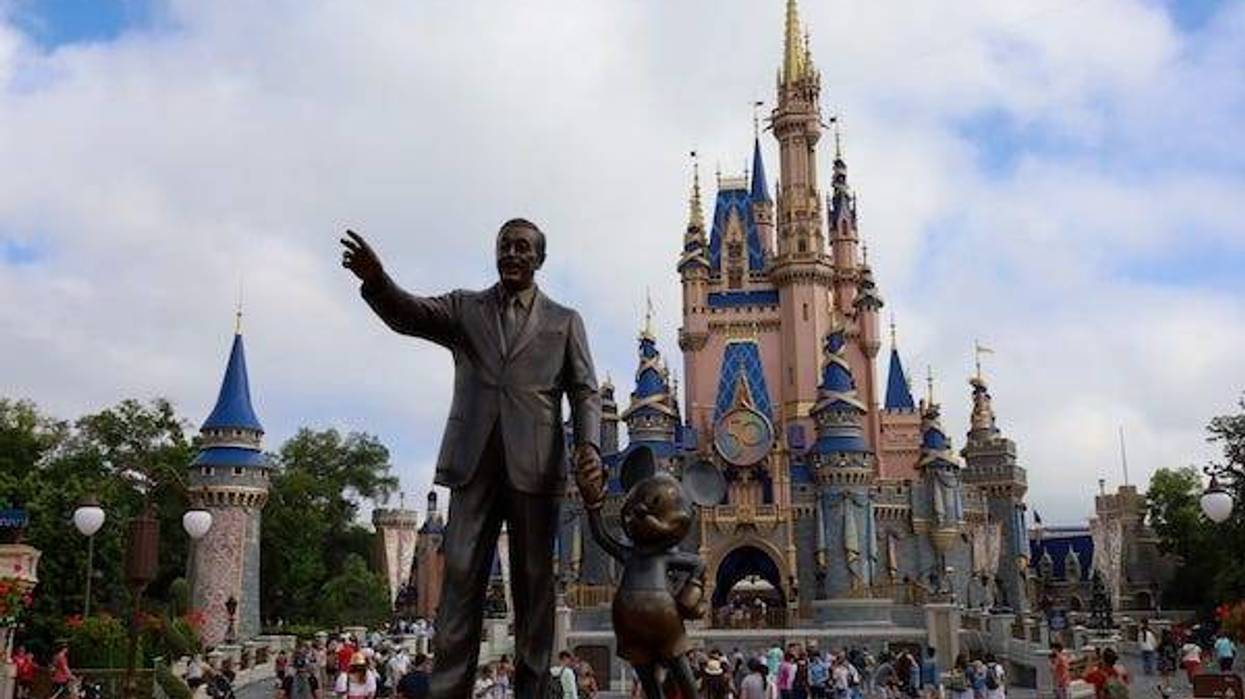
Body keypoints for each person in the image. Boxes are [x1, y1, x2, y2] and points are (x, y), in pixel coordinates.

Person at [342, 222, 603, 698]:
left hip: (536, 468)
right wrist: (377, 281)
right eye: (505, 246)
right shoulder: (466, 308)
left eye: (522, 247)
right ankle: (449, 690)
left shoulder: (565, 321)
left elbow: (585, 391)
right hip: (473, 467)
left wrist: (589, 446)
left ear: (539, 259)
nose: (512, 254)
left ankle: (531, 691)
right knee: (459, 581)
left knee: (534, 590)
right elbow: (409, 314)